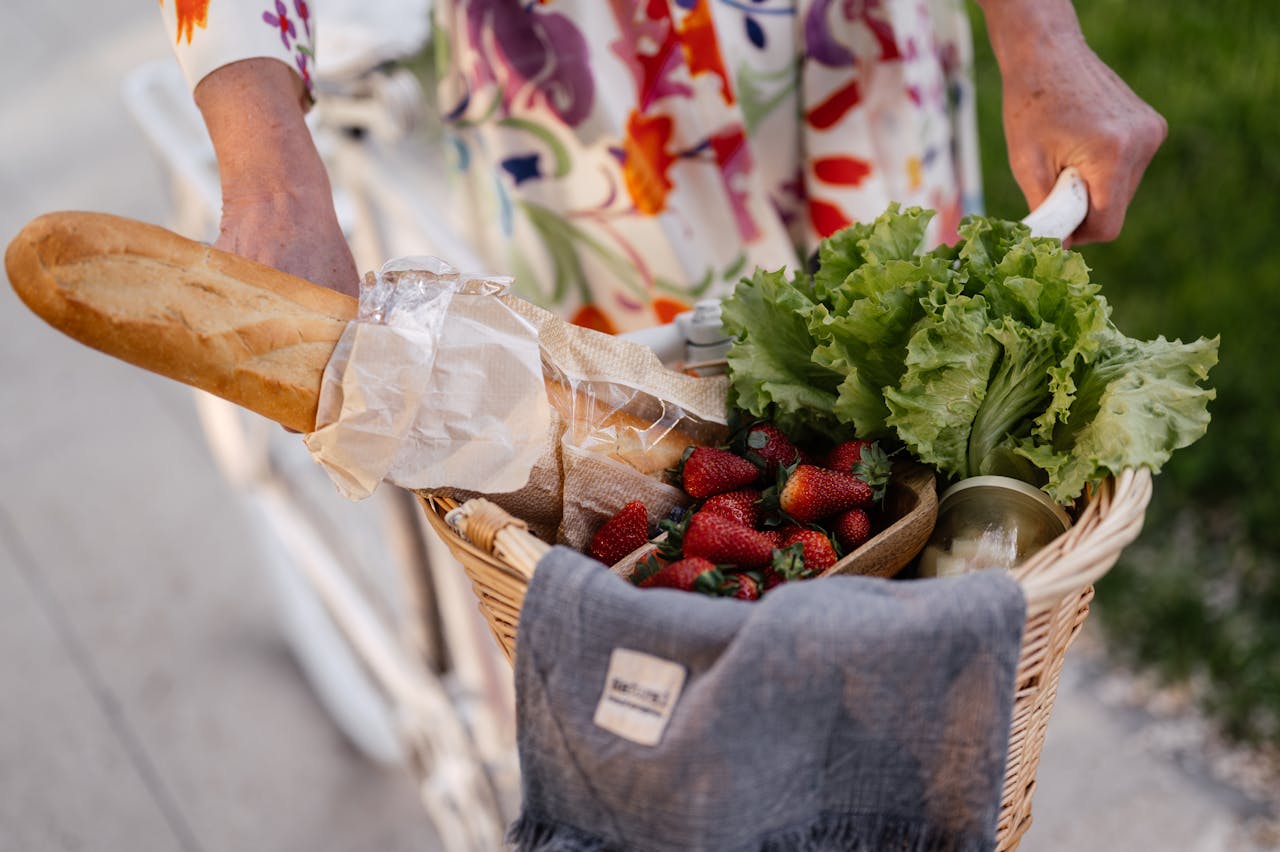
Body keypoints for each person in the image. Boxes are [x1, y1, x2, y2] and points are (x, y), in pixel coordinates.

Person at [157, 0, 1165, 330]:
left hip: (856, 53)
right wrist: (271, 176)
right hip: (584, 100)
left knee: (909, 446)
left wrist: (1040, 42)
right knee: (647, 494)